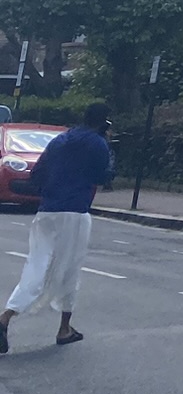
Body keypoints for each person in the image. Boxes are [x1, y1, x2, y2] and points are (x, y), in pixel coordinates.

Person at [0, 103, 115, 353]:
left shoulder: (60, 140)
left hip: (47, 211)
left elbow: (37, 174)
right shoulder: (97, 143)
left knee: (37, 265)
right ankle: (64, 329)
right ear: (104, 121)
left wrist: (50, 192)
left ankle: (5, 316)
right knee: (69, 269)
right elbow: (104, 176)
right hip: (75, 213)